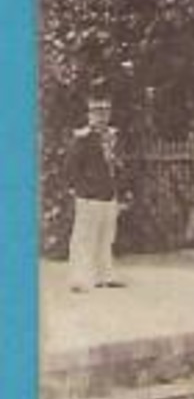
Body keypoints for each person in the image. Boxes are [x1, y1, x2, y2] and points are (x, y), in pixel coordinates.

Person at [65, 94, 124, 292]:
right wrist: (81, 188)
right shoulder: (82, 138)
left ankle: (104, 275)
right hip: (88, 196)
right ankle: (80, 278)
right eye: (97, 111)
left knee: (106, 236)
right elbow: (72, 167)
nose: (102, 116)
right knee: (84, 237)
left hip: (109, 194)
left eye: (106, 111)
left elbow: (118, 167)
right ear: (90, 114)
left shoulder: (114, 137)